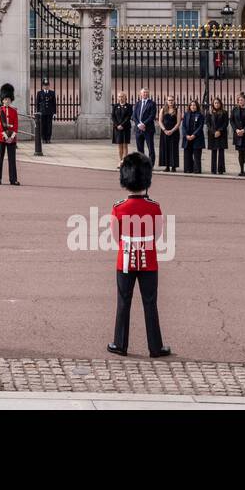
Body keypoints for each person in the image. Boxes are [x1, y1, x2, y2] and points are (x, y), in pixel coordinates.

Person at [107, 152, 171, 358]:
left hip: (124, 259)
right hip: (149, 261)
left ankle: (120, 343)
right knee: (150, 303)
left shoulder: (118, 207)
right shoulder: (154, 207)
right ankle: (155, 347)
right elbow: (158, 234)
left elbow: (116, 237)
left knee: (123, 302)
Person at [0, 83, 19, 186]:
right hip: (1, 138)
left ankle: (13, 179)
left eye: (8, 99)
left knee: (12, 159)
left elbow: (16, 125)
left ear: (11, 100)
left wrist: (11, 137)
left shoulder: (14, 111)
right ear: (2, 100)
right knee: (0, 159)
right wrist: (5, 135)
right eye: (5, 99)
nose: (7, 101)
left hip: (11, 138)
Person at [230, 93, 245, 177]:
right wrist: (236, 130)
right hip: (237, 134)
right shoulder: (235, 109)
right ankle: (241, 170)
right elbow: (231, 121)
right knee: (240, 153)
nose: (240, 101)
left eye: (242, 100)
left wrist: (244, 130)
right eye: (239, 100)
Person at [180, 99, 205, 174]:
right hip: (187, 137)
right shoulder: (186, 114)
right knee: (187, 154)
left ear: (197, 106)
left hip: (197, 137)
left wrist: (194, 135)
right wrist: (186, 135)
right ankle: (188, 169)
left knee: (197, 155)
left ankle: (197, 170)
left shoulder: (200, 115)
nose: (192, 106)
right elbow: (183, 126)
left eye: (194, 105)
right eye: (191, 105)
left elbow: (200, 126)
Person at [132, 88, 156, 163]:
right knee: (140, 149)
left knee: (150, 148)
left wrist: (144, 124)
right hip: (138, 129)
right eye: (144, 92)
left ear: (148, 94)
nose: (145, 94)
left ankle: (151, 164)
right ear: (141, 94)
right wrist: (138, 124)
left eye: (146, 92)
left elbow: (152, 116)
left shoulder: (152, 103)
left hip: (148, 129)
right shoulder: (137, 103)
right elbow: (133, 116)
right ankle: (141, 164)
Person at [206, 97, 229, 175]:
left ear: (220, 104)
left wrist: (219, 131)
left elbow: (226, 123)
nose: (216, 104)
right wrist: (214, 131)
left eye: (218, 103)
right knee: (214, 151)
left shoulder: (225, 112)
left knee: (221, 152)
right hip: (212, 134)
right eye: (215, 103)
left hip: (222, 134)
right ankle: (213, 169)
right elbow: (208, 124)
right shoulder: (209, 113)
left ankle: (221, 169)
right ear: (213, 104)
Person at [157, 96, 179, 172]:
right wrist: (165, 130)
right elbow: (160, 121)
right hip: (164, 132)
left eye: (172, 100)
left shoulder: (177, 110)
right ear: (167, 101)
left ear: (174, 101)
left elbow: (178, 123)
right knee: (165, 148)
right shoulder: (163, 110)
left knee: (173, 149)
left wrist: (172, 131)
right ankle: (167, 166)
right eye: (169, 100)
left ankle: (173, 166)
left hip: (174, 132)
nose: (170, 102)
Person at [111, 91, 132, 163]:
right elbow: (113, 116)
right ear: (118, 98)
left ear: (125, 97)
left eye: (122, 96)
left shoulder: (129, 106)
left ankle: (125, 161)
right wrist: (117, 125)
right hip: (117, 129)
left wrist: (122, 125)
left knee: (125, 145)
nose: (121, 98)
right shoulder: (115, 106)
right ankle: (121, 161)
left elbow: (128, 117)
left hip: (125, 128)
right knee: (119, 145)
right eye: (119, 96)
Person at [35, 78, 57, 146]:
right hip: (42, 112)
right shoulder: (39, 93)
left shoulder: (52, 93)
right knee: (43, 125)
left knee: (49, 125)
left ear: (49, 85)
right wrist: (38, 112)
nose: (46, 86)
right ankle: (43, 138)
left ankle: (48, 138)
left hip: (49, 112)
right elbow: (37, 103)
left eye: (47, 85)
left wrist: (54, 112)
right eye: (45, 85)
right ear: (42, 86)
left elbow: (54, 103)